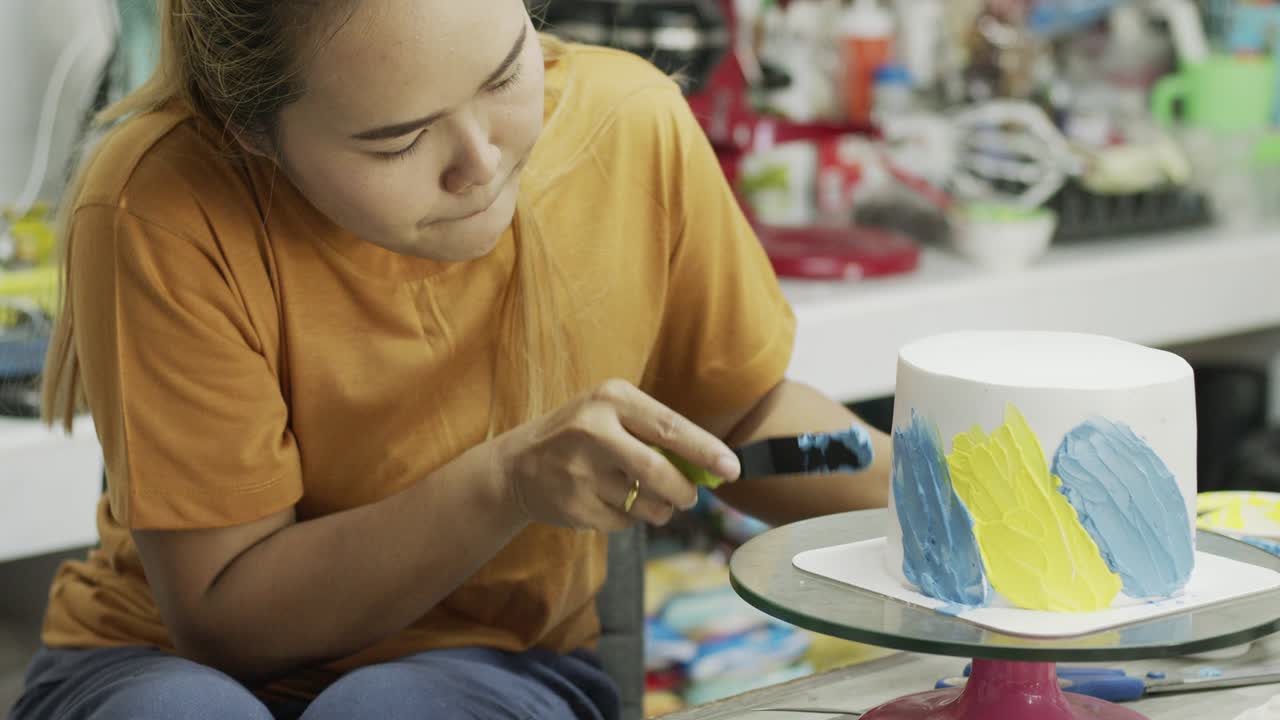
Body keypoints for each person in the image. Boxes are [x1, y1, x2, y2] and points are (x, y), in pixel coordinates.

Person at [10, 1, 892, 718]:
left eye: (509, 70)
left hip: (489, 668)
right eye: (398, 139)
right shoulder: (160, 201)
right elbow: (226, 621)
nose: (482, 162)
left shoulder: (631, 125)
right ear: (253, 133)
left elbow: (737, 421)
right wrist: (503, 484)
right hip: (161, 662)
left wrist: (960, 497)